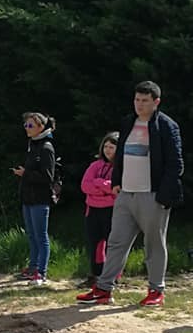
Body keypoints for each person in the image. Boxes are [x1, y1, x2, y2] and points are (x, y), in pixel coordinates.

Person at [76, 80, 183, 307]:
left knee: (154, 245)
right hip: (126, 194)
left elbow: (175, 164)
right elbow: (120, 155)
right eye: (137, 99)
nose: (140, 105)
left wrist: (163, 194)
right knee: (116, 242)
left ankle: (156, 290)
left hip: (152, 195)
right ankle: (104, 289)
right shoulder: (128, 123)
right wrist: (116, 182)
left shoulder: (166, 126)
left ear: (156, 102)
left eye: (145, 100)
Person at [13, 112, 57, 285]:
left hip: (40, 199)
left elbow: (48, 177)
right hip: (28, 198)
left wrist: (26, 173)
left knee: (41, 236)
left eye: (30, 125)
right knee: (31, 235)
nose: (27, 128)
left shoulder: (46, 147)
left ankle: (41, 272)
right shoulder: (33, 145)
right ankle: (32, 267)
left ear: (41, 127)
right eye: (25, 125)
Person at [79, 131, 119, 288]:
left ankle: (112, 276)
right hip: (93, 211)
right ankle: (95, 275)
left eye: (112, 147)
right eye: (106, 147)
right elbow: (85, 185)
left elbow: (116, 189)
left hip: (111, 210)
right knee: (94, 243)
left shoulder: (121, 168)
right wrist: (104, 187)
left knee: (112, 244)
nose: (108, 150)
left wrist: (99, 184)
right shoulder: (95, 165)